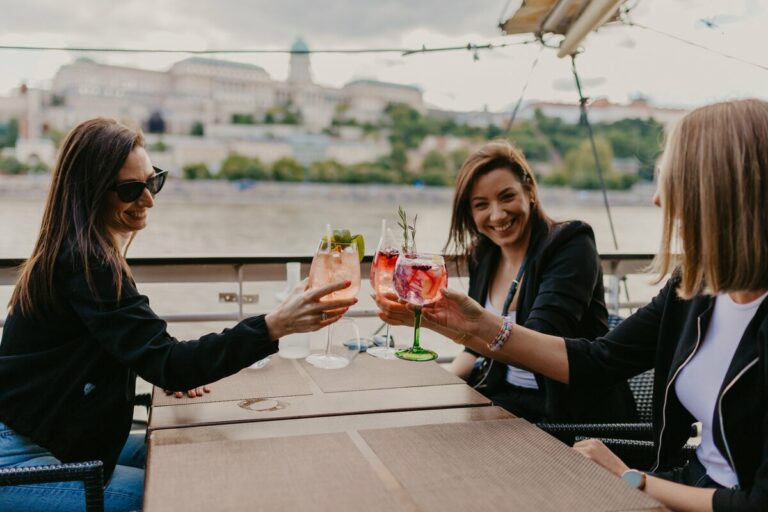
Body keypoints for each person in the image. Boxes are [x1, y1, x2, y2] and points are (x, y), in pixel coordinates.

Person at [414, 99, 768, 511]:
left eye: (670, 179)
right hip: (684, 481)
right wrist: (469, 324)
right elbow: (600, 359)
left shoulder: (569, 243)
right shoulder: (694, 287)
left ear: (719, 190)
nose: (657, 198)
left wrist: (630, 481)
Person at [0, 118, 356, 512]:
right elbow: (169, 361)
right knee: (184, 494)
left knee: (201, 454)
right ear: (90, 193)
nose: (149, 199)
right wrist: (273, 326)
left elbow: (154, 353)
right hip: (21, 456)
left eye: (153, 181)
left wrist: (168, 367)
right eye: (131, 190)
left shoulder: (83, 254)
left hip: (59, 435)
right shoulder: (84, 264)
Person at [377, 140, 635, 423]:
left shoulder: (571, 244)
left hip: (570, 415)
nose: (497, 215)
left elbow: (538, 345)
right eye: (481, 205)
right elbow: (474, 348)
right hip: (506, 401)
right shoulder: (483, 256)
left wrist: (432, 323)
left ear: (530, 191)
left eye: (507, 197)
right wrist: (437, 390)